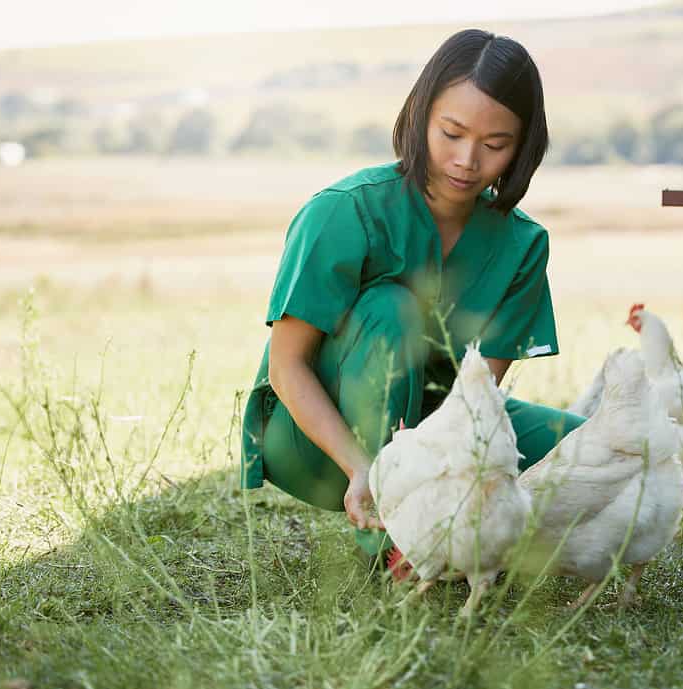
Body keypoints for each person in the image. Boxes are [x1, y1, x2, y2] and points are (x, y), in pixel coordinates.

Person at [240, 28, 585, 559]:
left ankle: (471, 536)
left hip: (433, 426)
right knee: (391, 307)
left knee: (589, 448)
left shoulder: (523, 244)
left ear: (522, 146)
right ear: (420, 115)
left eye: (495, 145)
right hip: (318, 442)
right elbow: (287, 368)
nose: (468, 161)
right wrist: (363, 467)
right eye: (451, 133)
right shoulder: (341, 212)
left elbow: (474, 400)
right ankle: (393, 539)